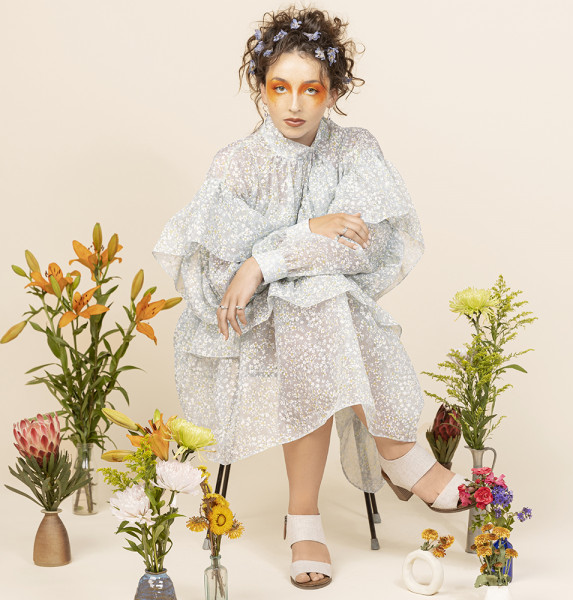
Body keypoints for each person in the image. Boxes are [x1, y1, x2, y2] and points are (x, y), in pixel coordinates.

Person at [152, 5, 473, 591]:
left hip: (327, 318)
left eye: (311, 89)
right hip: (246, 327)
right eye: (280, 87)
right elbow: (222, 276)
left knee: (319, 297)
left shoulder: (355, 151)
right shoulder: (237, 163)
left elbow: (356, 250)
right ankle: (401, 455)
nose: (294, 104)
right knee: (318, 299)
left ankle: (304, 519)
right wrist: (298, 240)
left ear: (333, 92)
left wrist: (264, 260)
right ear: (261, 88)